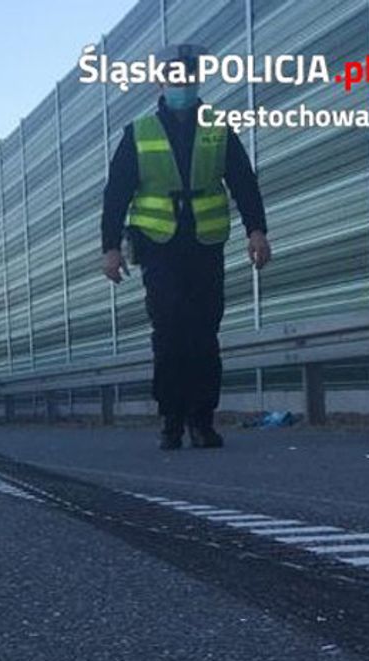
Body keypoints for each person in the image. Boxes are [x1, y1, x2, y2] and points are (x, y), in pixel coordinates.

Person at [101, 43, 272, 451]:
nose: (182, 84)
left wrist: (257, 231)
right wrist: (110, 247)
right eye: (175, 77)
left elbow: (244, 181)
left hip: (205, 243)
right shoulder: (138, 133)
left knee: (204, 331)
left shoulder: (218, 127)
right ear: (162, 82)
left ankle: (202, 419)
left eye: (189, 78)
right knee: (170, 331)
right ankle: (171, 419)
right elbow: (116, 193)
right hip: (159, 247)